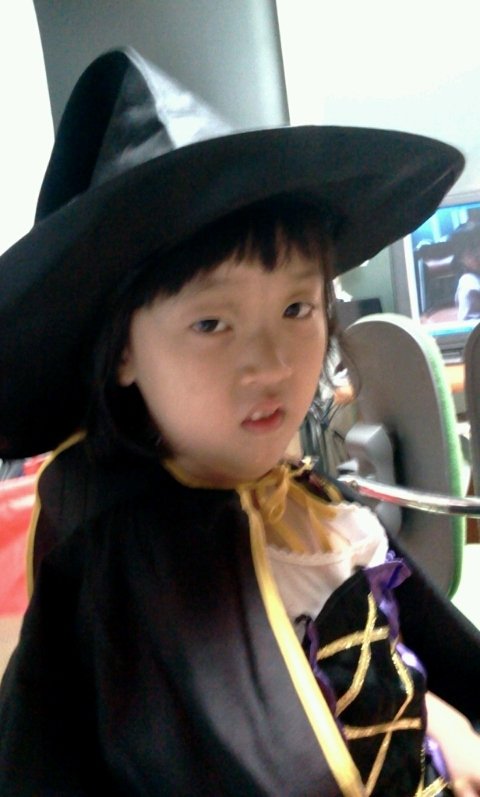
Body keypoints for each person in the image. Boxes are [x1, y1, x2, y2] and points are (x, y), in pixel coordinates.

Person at [0, 47, 479, 797]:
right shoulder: (119, 565)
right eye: (212, 323)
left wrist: (440, 720)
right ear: (122, 351)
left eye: (296, 307)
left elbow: (395, 653)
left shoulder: (307, 506)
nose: (272, 363)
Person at [454, 224, 480, 319]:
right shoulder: (469, 285)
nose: (478, 252)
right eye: (472, 249)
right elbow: (472, 324)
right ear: (461, 258)